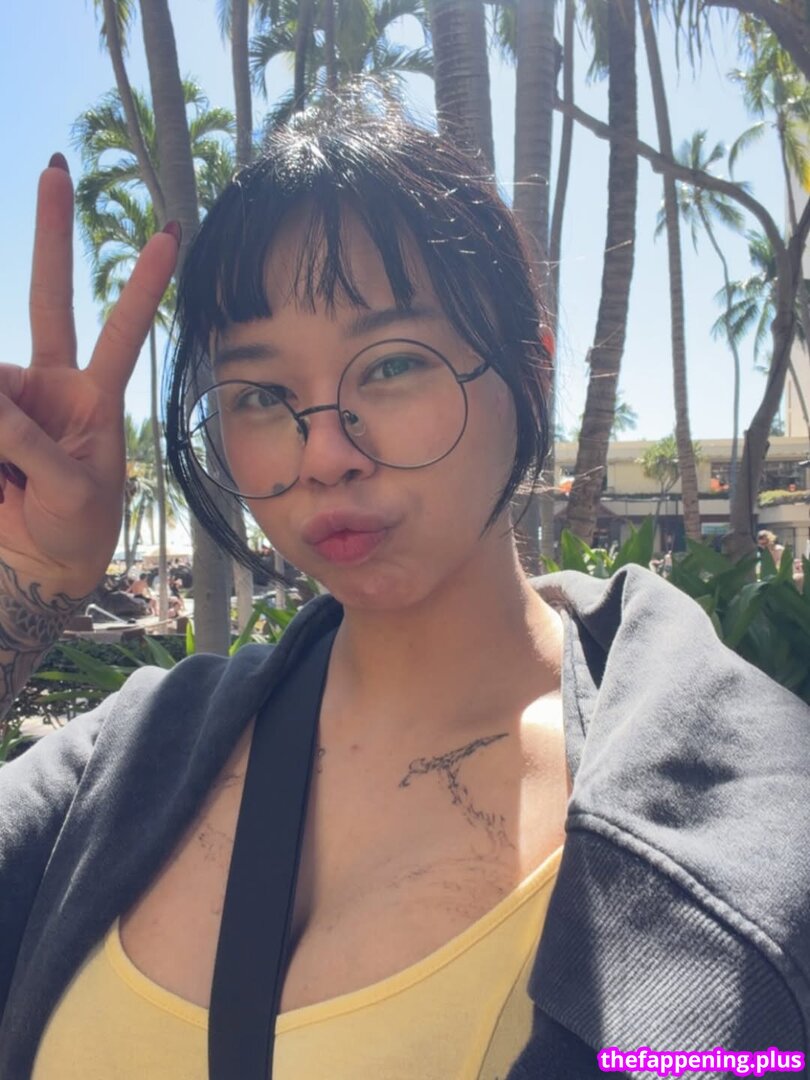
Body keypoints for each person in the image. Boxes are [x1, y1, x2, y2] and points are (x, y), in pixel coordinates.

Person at [1, 106, 809, 1080]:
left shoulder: (746, 829)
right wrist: (28, 584)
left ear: (530, 368)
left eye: (390, 365)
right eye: (260, 395)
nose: (326, 454)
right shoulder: (126, 763)